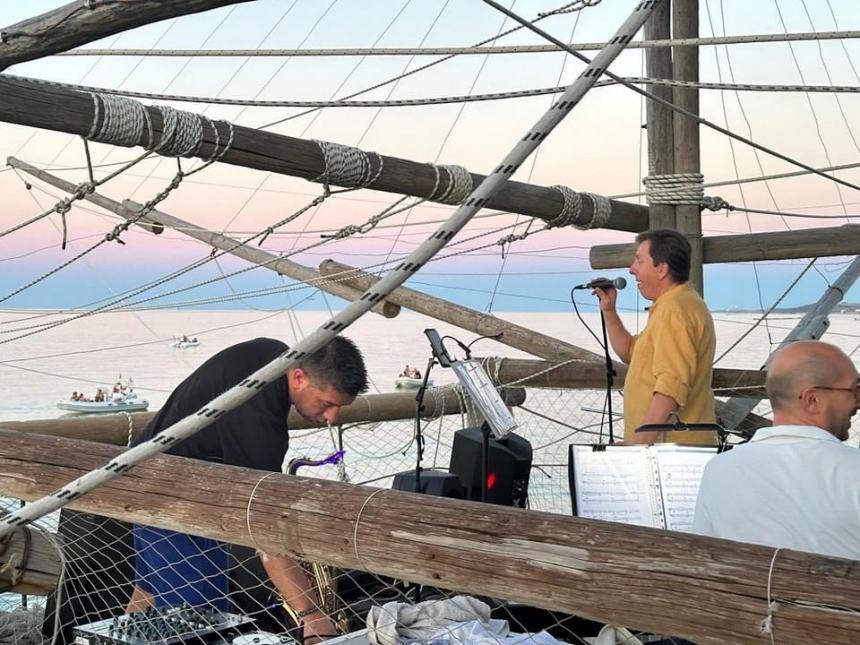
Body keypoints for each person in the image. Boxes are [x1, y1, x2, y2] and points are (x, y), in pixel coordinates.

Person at [126, 336, 368, 644]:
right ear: (298, 376)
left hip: (145, 480)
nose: (332, 417)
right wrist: (311, 615)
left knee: (146, 603)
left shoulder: (270, 352)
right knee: (202, 624)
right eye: (327, 403)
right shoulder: (261, 420)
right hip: (170, 500)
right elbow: (265, 533)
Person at [692, 341, 860, 559]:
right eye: (854, 390)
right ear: (812, 400)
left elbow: (703, 557)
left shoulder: (719, 469)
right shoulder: (852, 471)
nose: (857, 402)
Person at [593, 229, 716, 444]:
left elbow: (671, 384)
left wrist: (638, 444)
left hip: (669, 451)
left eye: (639, 261)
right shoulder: (679, 303)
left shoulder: (674, 310)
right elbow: (630, 352)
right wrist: (609, 311)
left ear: (661, 269)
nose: (631, 269)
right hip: (667, 448)